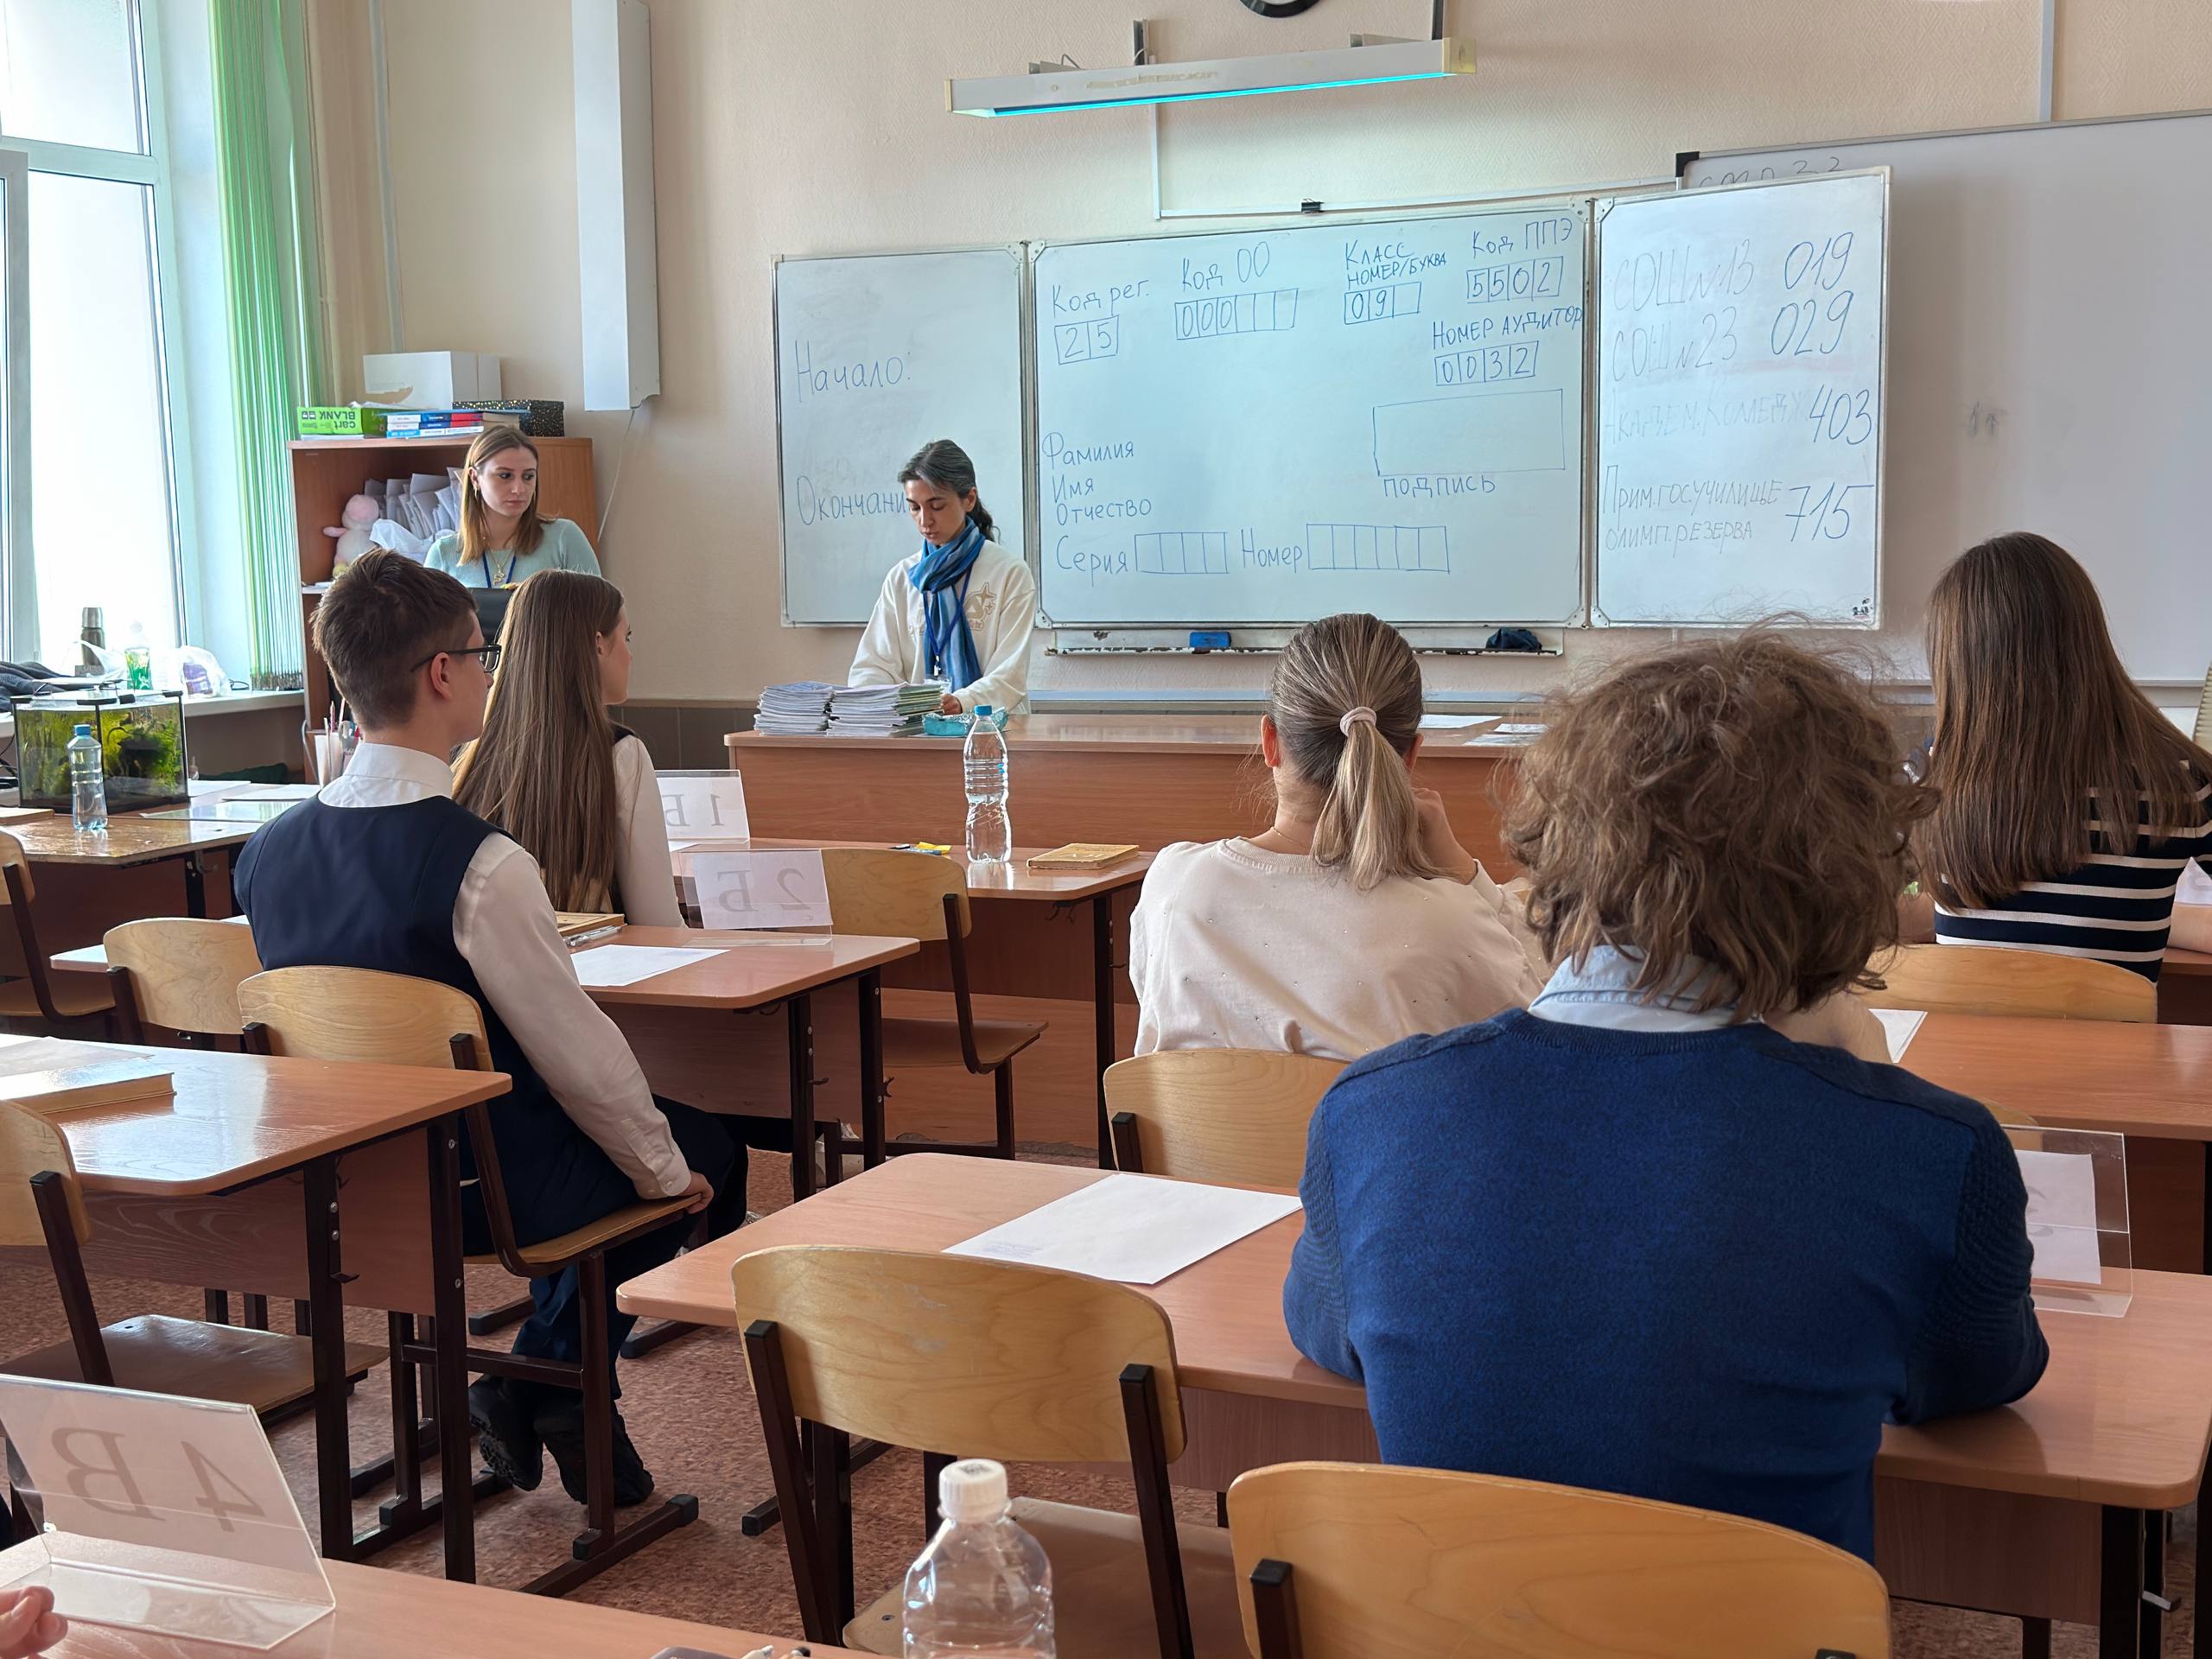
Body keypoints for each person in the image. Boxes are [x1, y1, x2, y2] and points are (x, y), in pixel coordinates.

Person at [1283, 632, 2047, 1562]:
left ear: (1558, 844)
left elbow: (1326, 1331)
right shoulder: (1930, 1150)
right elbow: (1975, 1375)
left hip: (1448, 1620)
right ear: (1847, 875)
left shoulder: (1371, 1112)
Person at [232, 551, 738, 1507]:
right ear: (441, 674)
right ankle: (544, 1382)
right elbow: (579, 1059)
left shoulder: (263, 856)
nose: (489, 672)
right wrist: (669, 1176)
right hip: (489, 1186)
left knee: (642, 1151)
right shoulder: (482, 864)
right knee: (700, 1155)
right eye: (480, 654)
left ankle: (551, 1393)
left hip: (356, 1181)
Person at [1128, 613, 1542, 1060]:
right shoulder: (1448, 921)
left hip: (1191, 1112)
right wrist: (1465, 874)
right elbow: (1548, 1020)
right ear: (1409, 757)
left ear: (1270, 741)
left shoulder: (1172, 886)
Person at [1907, 531, 2212, 973]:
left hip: (1961, 1019)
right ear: (2088, 641)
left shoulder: (1934, 769)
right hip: (2113, 1021)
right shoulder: (2182, 779)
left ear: (1955, 664)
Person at [453, 569, 682, 924]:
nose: (630, 656)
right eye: (626, 638)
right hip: (595, 958)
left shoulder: (471, 754)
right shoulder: (621, 753)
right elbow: (659, 922)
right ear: (598, 644)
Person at [849, 438, 1034, 715]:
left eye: (936, 506)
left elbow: (1010, 675)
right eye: (915, 507)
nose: (925, 521)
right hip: (920, 731)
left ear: (969, 499)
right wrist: (876, 702)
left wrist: (962, 702)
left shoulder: (1009, 573)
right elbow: (872, 667)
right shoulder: (902, 578)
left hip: (994, 729)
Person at [425, 427, 601, 590]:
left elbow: (601, 610)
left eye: (528, 476)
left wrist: (540, 599)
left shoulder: (564, 537)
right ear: (475, 478)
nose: (519, 489)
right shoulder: (443, 553)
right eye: (505, 475)